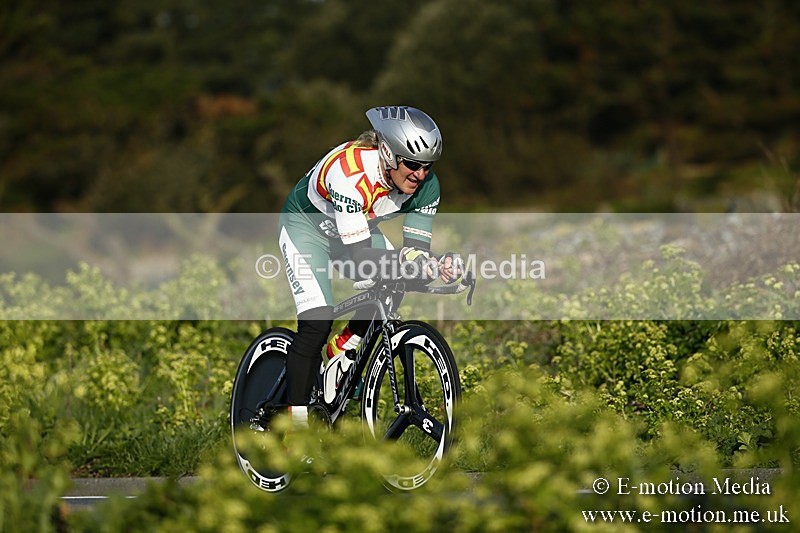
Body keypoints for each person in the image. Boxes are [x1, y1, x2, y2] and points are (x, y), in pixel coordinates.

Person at [278, 105, 457, 426]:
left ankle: (344, 348)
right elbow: (362, 259)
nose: (420, 175)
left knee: (395, 283)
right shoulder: (349, 174)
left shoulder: (427, 187)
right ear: (388, 154)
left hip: (356, 231)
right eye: (413, 164)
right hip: (306, 231)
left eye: (428, 166)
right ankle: (296, 429)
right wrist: (409, 265)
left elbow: (414, 251)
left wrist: (434, 265)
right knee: (316, 323)